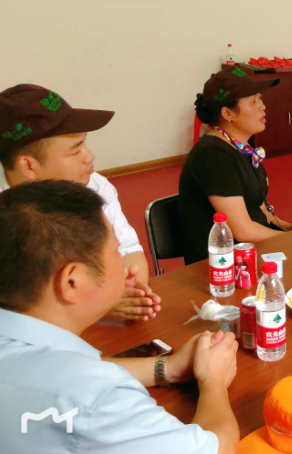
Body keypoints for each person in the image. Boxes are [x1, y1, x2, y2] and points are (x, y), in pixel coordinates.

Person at [0, 180, 239, 453]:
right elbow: (217, 448)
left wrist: (167, 368)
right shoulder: (97, 396)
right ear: (72, 282)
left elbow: (52, 367)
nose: (128, 268)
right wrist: (213, 382)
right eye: (116, 252)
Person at [0, 84, 159, 322]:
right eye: (75, 151)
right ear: (29, 166)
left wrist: (132, 294)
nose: (90, 155)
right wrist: (102, 303)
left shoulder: (93, 185)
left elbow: (128, 249)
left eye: (84, 143)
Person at [179, 65, 292, 264]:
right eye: (253, 102)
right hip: (222, 265)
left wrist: (290, 228)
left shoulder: (241, 148)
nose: (263, 107)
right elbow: (242, 231)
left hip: (252, 251)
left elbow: (261, 210)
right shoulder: (213, 155)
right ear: (228, 114)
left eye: (260, 99)